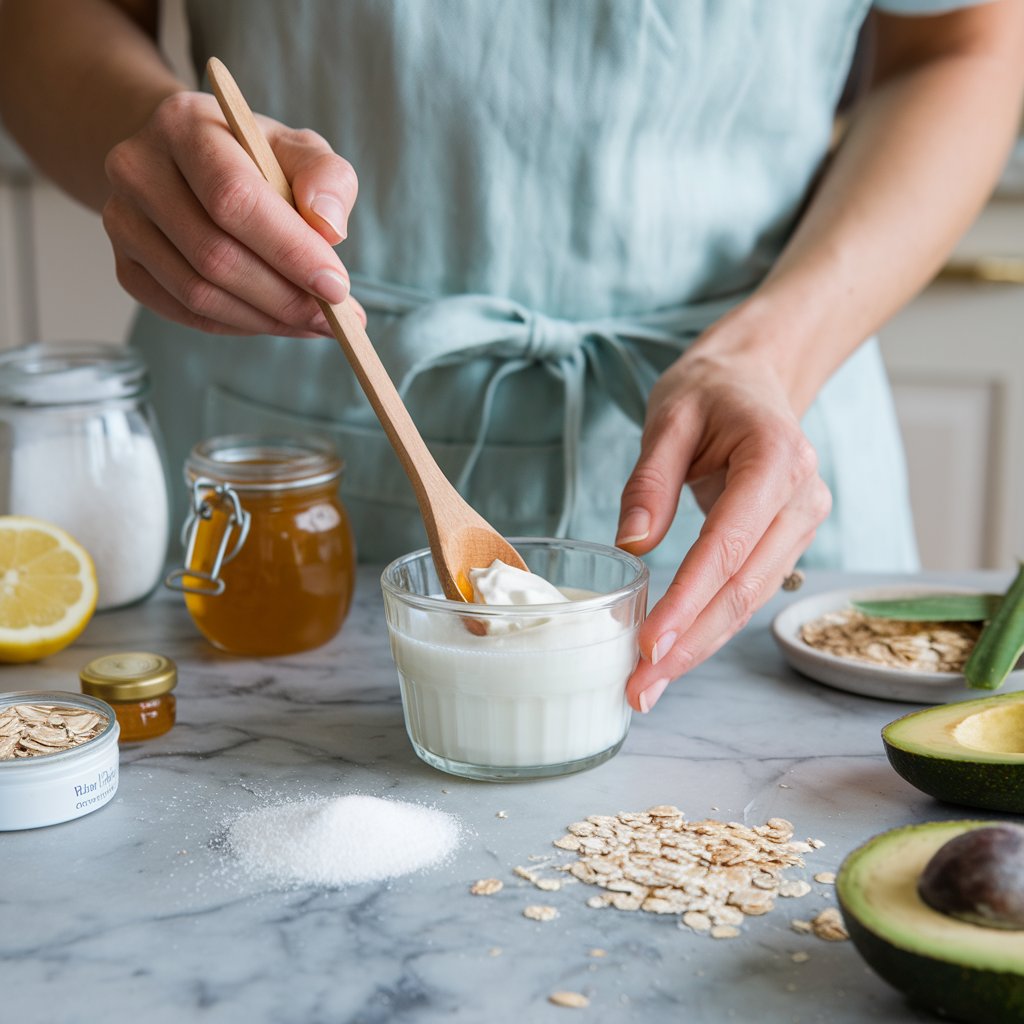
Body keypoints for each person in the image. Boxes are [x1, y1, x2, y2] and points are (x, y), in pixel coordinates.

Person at [1, 0, 1022, 713]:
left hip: (753, 406)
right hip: (281, 416)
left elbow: (965, 42)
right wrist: (146, 137)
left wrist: (773, 352)